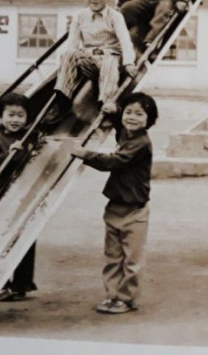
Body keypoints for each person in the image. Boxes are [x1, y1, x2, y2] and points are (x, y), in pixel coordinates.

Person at [66, 92, 158, 314]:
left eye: (139, 114)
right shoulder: (126, 134)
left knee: (132, 260)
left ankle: (126, 299)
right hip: (114, 207)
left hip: (134, 212)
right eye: (128, 112)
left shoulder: (141, 143)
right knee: (113, 257)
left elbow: (114, 161)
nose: (132, 117)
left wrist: (84, 154)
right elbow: (121, 128)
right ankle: (112, 296)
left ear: (149, 120)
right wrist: (115, 115)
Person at [44, 0, 137, 125]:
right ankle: (62, 101)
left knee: (108, 62)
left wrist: (129, 62)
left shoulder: (115, 16)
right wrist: (66, 62)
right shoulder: (79, 16)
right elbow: (72, 44)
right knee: (69, 53)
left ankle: (106, 103)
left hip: (110, 58)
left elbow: (125, 41)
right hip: (89, 60)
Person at [0, 92, 39, 302]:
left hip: (27, 193)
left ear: (27, 118)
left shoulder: (31, 136)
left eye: (20, 115)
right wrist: (8, 154)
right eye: (10, 114)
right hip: (6, 195)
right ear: (1, 116)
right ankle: (0, 284)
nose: (15, 119)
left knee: (26, 237)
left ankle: (22, 284)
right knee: (3, 238)